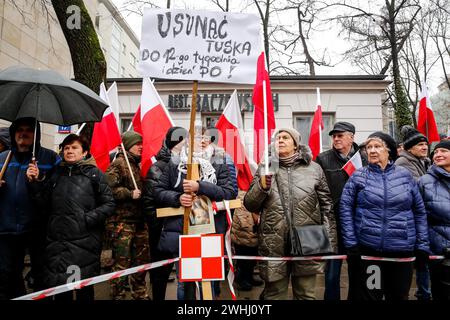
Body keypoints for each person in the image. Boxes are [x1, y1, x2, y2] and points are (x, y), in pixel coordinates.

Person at [244, 128, 337, 300]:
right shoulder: (266, 167)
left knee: (306, 294)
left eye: (285, 137)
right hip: (274, 239)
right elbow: (250, 204)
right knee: (274, 295)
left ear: (295, 145)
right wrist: (261, 187)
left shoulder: (314, 168)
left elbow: (327, 207)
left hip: (309, 238)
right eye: (277, 138)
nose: (279, 140)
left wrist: (329, 241)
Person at [340, 131, 430, 300]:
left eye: (377, 146)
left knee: (398, 296)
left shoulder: (405, 176)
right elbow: (345, 210)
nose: (372, 151)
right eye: (369, 147)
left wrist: (422, 245)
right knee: (371, 296)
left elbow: (419, 212)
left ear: (389, 150)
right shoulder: (358, 177)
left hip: (401, 250)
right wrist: (351, 243)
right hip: (370, 251)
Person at [26, 134, 115, 300]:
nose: (69, 151)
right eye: (66, 148)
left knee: (83, 288)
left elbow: (109, 204)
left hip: (84, 243)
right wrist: (35, 182)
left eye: (74, 148)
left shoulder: (95, 175)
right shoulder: (55, 174)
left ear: (85, 152)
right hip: (57, 243)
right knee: (61, 289)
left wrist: (85, 219)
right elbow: (43, 205)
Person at [154, 129, 237, 300]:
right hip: (182, 231)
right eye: (196, 137)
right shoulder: (175, 163)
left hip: (210, 232)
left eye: (204, 137)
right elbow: (158, 191)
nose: (201, 140)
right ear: (188, 141)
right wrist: (177, 198)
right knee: (185, 282)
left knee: (210, 280)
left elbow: (229, 193)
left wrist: (201, 187)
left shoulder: (218, 162)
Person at [0, 118, 60, 299]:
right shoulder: (2, 158)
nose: (23, 134)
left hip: (37, 228)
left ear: (36, 135)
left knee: (41, 274)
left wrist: (39, 180)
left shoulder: (50, 158)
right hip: (6, 228)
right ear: (13, 133)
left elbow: (56, 192)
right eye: (19, 130)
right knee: (7, 274)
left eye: (28, 130)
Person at [315, 121, 367, 300]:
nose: (335, 139)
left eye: (340, 135)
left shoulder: (365, 158)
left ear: (351, 137)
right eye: (334, 136)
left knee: (358, 270)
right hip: (333, 222)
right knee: (331, 272)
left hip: (359, 222)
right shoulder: (323, 159)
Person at [142, 126, 188, 301]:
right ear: (174, 144)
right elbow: (149, 201)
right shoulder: (159, 167)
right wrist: (157, 228)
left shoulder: (190, 166)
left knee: (187, 276)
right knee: (160, 276)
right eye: (183, 140)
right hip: (163, 231)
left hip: (185, 229)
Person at [105, 130, 150, 300]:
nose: (141, 147)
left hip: (138, 222)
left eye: (141, 143)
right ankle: (118, 294)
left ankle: (139, 293)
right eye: (137, 144)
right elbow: (108, 190)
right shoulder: (118, 163)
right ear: (128, 145)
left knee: (141, 262)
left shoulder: (135, 165)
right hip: (122, 223)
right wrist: (129, 193)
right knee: (121, 263)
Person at [395, 125, 432, 300]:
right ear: (410, 148)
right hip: (411, 219)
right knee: (420, 261)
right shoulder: (403, 163)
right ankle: (423, 293)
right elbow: (420, 186)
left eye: (426, 144)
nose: (424, 147)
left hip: (425, 217)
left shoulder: (425, 161)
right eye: (420, 144)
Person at [418, 140, 450, 300]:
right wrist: (425, 246)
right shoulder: (425, 182)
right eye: (435, 152)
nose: (438, 155)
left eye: (443, 151)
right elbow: (419, 216)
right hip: (439, 251)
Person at [231, 190, 263, 291]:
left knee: (253, 248)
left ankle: (248, 277)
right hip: (243, 200)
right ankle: (241, 278)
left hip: (255, 198)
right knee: (244, 247)